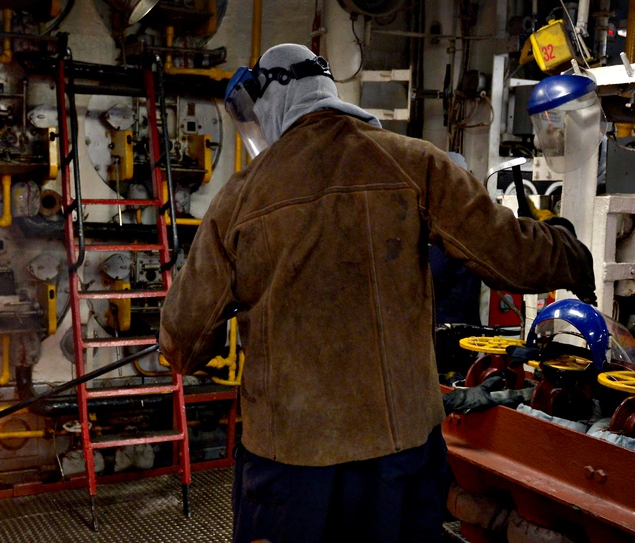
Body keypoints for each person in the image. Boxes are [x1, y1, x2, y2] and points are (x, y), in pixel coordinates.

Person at [158, 44, 597, 543]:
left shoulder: (238, 199)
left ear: (274, 100)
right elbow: (513, 257)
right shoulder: (412, 162)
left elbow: (186, 345)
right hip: (398, 457)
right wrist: (572, 253)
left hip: (289, 465)